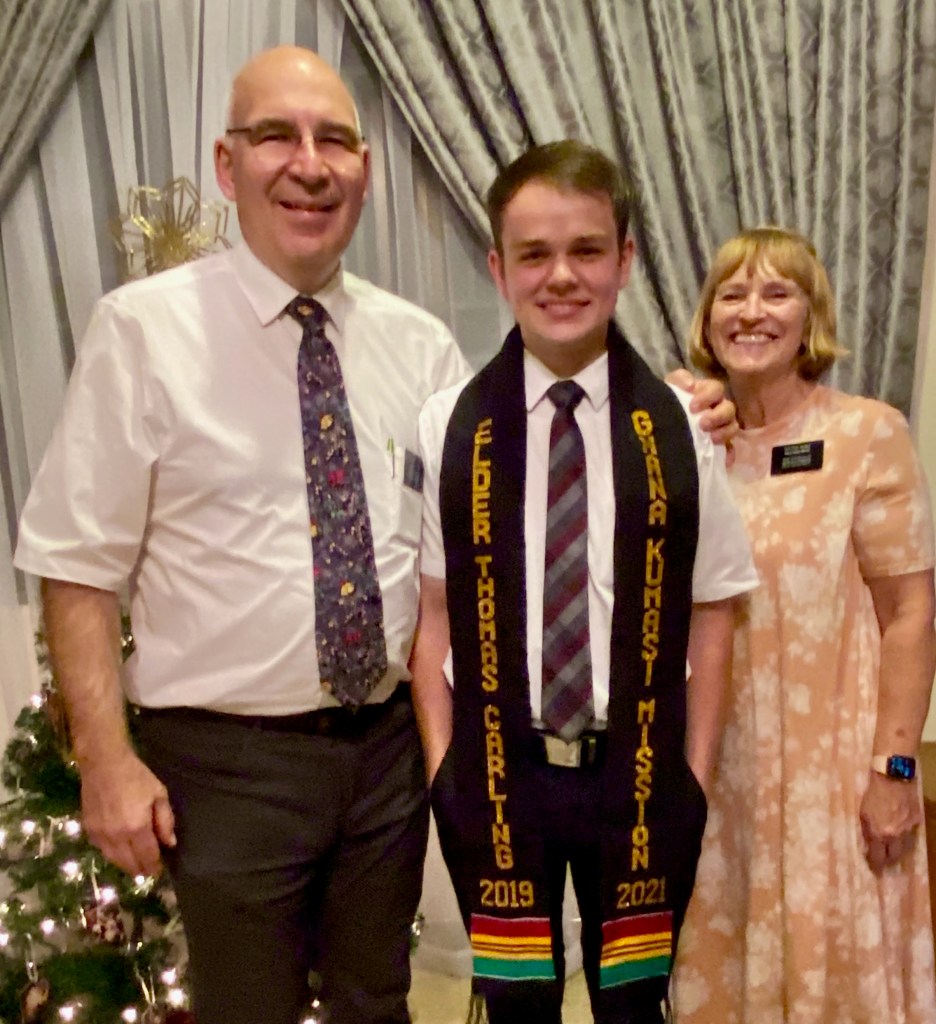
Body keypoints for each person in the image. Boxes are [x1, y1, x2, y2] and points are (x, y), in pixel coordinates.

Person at [12, 48, 737, 1024]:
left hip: (386, 758)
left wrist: (674, 410)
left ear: (365, 169)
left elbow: (520, 494)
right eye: (277, 136)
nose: (309, 165)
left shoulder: (420, 348)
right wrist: (104, 759)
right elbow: (74, 563)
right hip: (229, 764)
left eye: (335, 140)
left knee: (376, 1001)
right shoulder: (141, 332)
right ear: (228, 165)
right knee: (249, 1009)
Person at [410, 140, 759, 1024]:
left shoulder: (681, 427)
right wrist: (443, 766)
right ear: (498, 268)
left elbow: (714, 611)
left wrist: (694, 774)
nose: (561, 276)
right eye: (534, 253)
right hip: (500, 774)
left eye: (587, 250)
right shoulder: (450, 424)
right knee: (516, 1006)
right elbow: (434, 613)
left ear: (625, 260)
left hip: (638, 774)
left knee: (633, 1007)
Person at [673, 226, 936, 1023]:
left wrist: (894, 770)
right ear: (707, 317)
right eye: (732, 293)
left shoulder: (867, 434)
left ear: (810, 316)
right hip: (715, 773)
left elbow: (911, 613)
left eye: (776, 292)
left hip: (835, 779)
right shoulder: (684, 438)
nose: (751, 311)